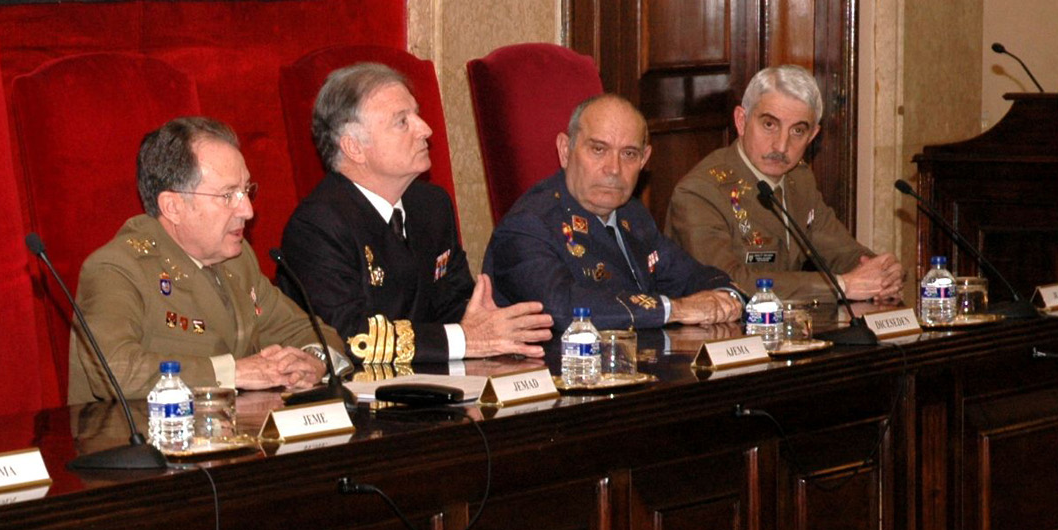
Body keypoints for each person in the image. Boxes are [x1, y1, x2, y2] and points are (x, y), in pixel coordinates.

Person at [279, 62, 552, 365]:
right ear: (354, 147)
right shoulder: (317, 226)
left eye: (416, 115)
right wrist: (465, 339)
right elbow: (350, 337)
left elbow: (451, 301)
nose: (425, 129)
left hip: (434, 379)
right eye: (402, 122)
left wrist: (491, 324)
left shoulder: (431, 205)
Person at [68, 117, 340, 402]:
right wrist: (232, 373)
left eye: (246, 191)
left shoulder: (236, 260)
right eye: (227, 195)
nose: (247, 210)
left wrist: (313, 359)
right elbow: (112, 371)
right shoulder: (118, 268)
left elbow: (309, 330)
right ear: (173, 207)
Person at [482, 95, 744, 330]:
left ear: (644, 160)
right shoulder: (528, 225)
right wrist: (674, 310)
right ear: (565, 150)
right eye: (598, 149)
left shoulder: (632, 215)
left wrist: (725, 297)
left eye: (629, 154)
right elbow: (562, 308)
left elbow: (689, 275)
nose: (614, 169)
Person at [666, 65, 903, 301]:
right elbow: (729, 284)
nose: (781, 146)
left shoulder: (798, 179)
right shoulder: (700, 191)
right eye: (769, 125)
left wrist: (881, 272)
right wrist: (840, 286)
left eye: (797, 131)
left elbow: (840, 250)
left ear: (812, 136)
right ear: (741, 121)